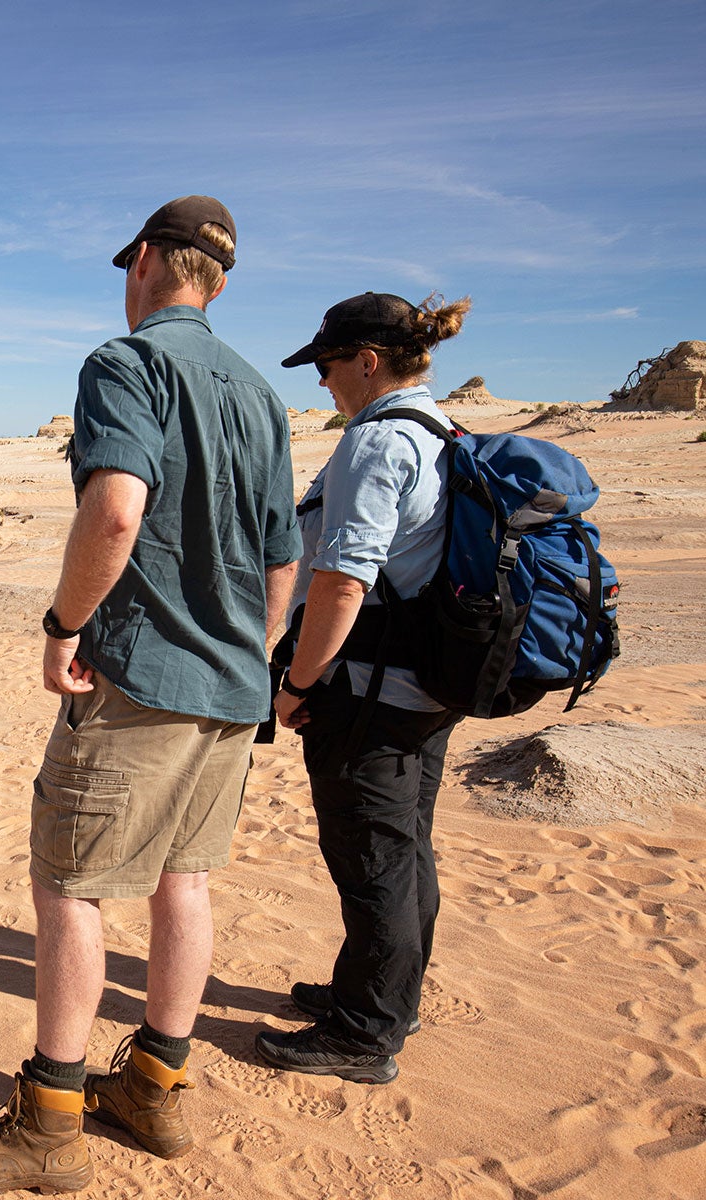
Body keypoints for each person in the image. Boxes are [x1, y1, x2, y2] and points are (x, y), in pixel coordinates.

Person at [0, 196, 299, 1193]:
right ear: (218, 280)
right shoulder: (260, 394)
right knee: (185, 879)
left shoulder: (125, 364)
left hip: (141, 677)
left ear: (144, 261)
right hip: (231, 685)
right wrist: (245, 653)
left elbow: (116, 509)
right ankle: (155, 1089)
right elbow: (281, 558)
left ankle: (49, 1124)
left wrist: (64, 626)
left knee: (70, 886)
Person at [257, 292, 470, 1085]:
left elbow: (343, 583)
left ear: (368, 361)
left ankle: (365, 1033)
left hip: (371, 695)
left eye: (328, 365)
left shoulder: (378, 445)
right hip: (424, 687)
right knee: (406, 848)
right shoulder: (443, 433)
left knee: (373, 858)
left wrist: (298, 682)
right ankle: (382, 994)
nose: (323, 383)